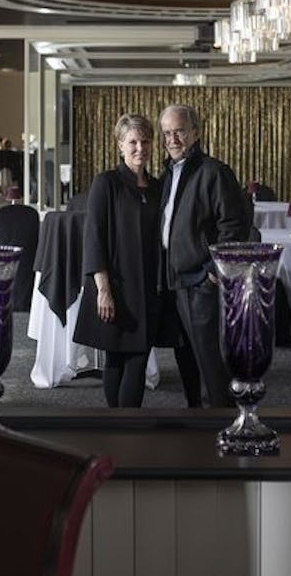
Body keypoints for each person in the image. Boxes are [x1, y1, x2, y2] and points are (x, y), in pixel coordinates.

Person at [73, 114, 180, 407]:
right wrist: (103, 290)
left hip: (149, 289)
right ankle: (118, 427)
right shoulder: (106, 183)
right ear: (120, 145)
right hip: (114, 287)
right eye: (132, 142)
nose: (140, 148)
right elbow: (94, 238)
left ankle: (126, 427)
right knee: (115, 359)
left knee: (138, 359)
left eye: (145, 141)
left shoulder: (159, 187)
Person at [157, 103, 250, 408]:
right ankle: (196, 418)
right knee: (186, 358)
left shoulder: (214, 172)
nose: (173, 139)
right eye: (167, 133)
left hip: (201, 282)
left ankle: (222, 423)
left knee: (210, 361)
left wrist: (212, 272)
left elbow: (234, 227)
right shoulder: (168, 172)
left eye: (179, 131)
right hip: (174, 281)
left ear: (196, 133)